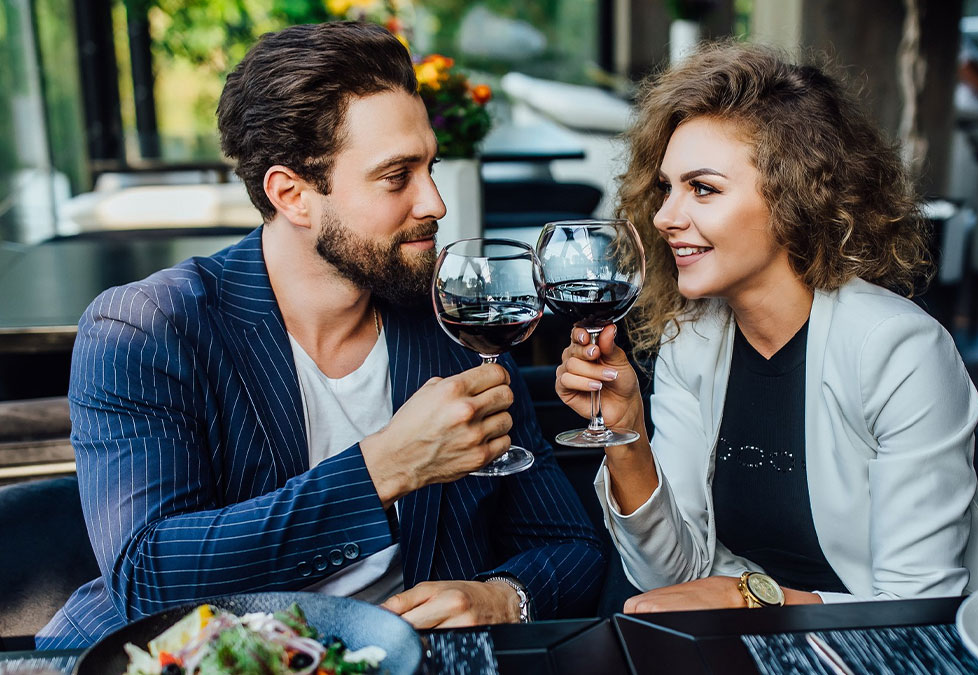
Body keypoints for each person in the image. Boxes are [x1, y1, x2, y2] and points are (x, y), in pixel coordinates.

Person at [37, 21, 603, 649]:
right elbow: (151, 578)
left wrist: (504, 597)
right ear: (292, 194)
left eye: (430, 167)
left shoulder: (452, 318)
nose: (435, 202)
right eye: (397, 176)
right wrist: (386, 467)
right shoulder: (148, 329)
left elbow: (568, 545)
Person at [555, 41, 978, 612]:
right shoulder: (693, 341)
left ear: (795, 195)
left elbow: (917, 608)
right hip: (758, 641)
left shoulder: (898, 349)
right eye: (666, 188)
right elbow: (666, 575)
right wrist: (626, 434)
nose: (663, 217)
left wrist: (750, 600)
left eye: (702, 188)